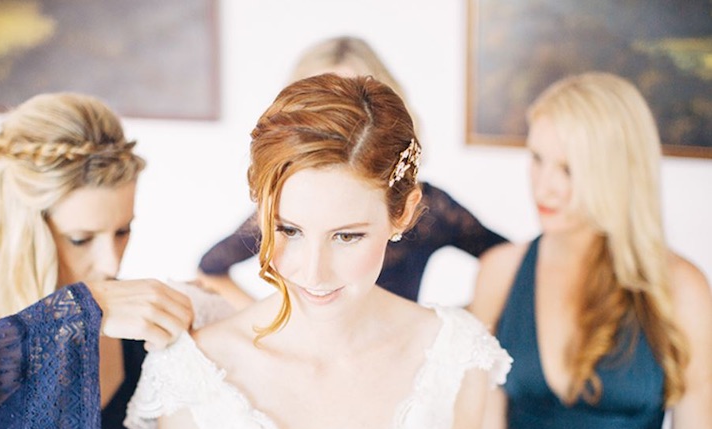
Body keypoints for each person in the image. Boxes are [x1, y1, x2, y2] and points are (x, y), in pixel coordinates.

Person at [125, 73, 512, 429]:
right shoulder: (195, 365)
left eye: (347, 237)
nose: (312, 272)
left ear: (402, 214)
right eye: (289, 230)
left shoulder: (455, 355)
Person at [0, 92, 232, 429]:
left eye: (122, 231)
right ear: (22, 233)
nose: (111, 263)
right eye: (81, 238)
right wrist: (70, 313)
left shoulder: (145, 340)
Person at [469, 72, 712, 429]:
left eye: (568, 169)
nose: (543, 186)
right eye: (537, 159)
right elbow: (483, 424)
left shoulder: (683, 288)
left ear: (617, 172)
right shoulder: (499, 273)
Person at [196, 35, 506, 308]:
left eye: (348, 236)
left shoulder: (432, 207)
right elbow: (210, 268)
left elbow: (507, 257)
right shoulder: (283, 205)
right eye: (292, 230)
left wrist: (462, 326)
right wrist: (270, 322)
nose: (338, 123)